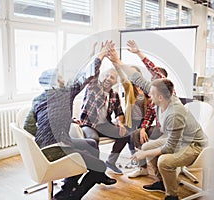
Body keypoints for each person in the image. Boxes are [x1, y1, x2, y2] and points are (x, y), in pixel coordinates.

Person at [108, 46, 208, 200]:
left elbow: (169, 148)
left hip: (193, 145)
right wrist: (117, 61)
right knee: (147, 145)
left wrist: (144, 154)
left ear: (160, 97)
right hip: (177, 139)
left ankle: (172, 195)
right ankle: (162, 182)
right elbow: (137, 78)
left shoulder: (175, 113)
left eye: (151, 94)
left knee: (164, 160)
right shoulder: (162, 96)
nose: (149, 96)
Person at [23, 41, 117, 200]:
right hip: (57, 148)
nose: (64, 79)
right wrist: (100, 55)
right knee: (99, 167)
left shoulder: (38, 100)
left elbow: (28, 127)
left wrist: (58, 122)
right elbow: (86, 76)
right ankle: (69, 197)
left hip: (45, 147)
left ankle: (69, 185)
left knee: (91, 144)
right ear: (56, 82)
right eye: (60, 78)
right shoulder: (65, 93)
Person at [79, 42, 130, 175]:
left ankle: (111, 162)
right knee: (92, 140)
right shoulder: (94, 87)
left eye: (112, 77)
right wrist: (101, 55)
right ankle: (96, 171)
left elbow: (119, 112)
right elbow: (93, 72)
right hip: (88, 125)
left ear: (115, 82)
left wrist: (120, 123)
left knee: (125, 134)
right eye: (107, 75)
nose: (108, 78)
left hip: (103, 125)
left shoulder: (114, 94)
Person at [126, 40, 168, 178]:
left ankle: (160, 176)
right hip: (158, 128)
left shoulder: (169, 94)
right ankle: (142, 167)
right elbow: (149, 115)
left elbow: (155, 71)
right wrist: (144, 128)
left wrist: (138, 53)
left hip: (171, 131)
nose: (153, 81)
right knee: (137, 133)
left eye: (156, 79)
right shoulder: (152, 97)